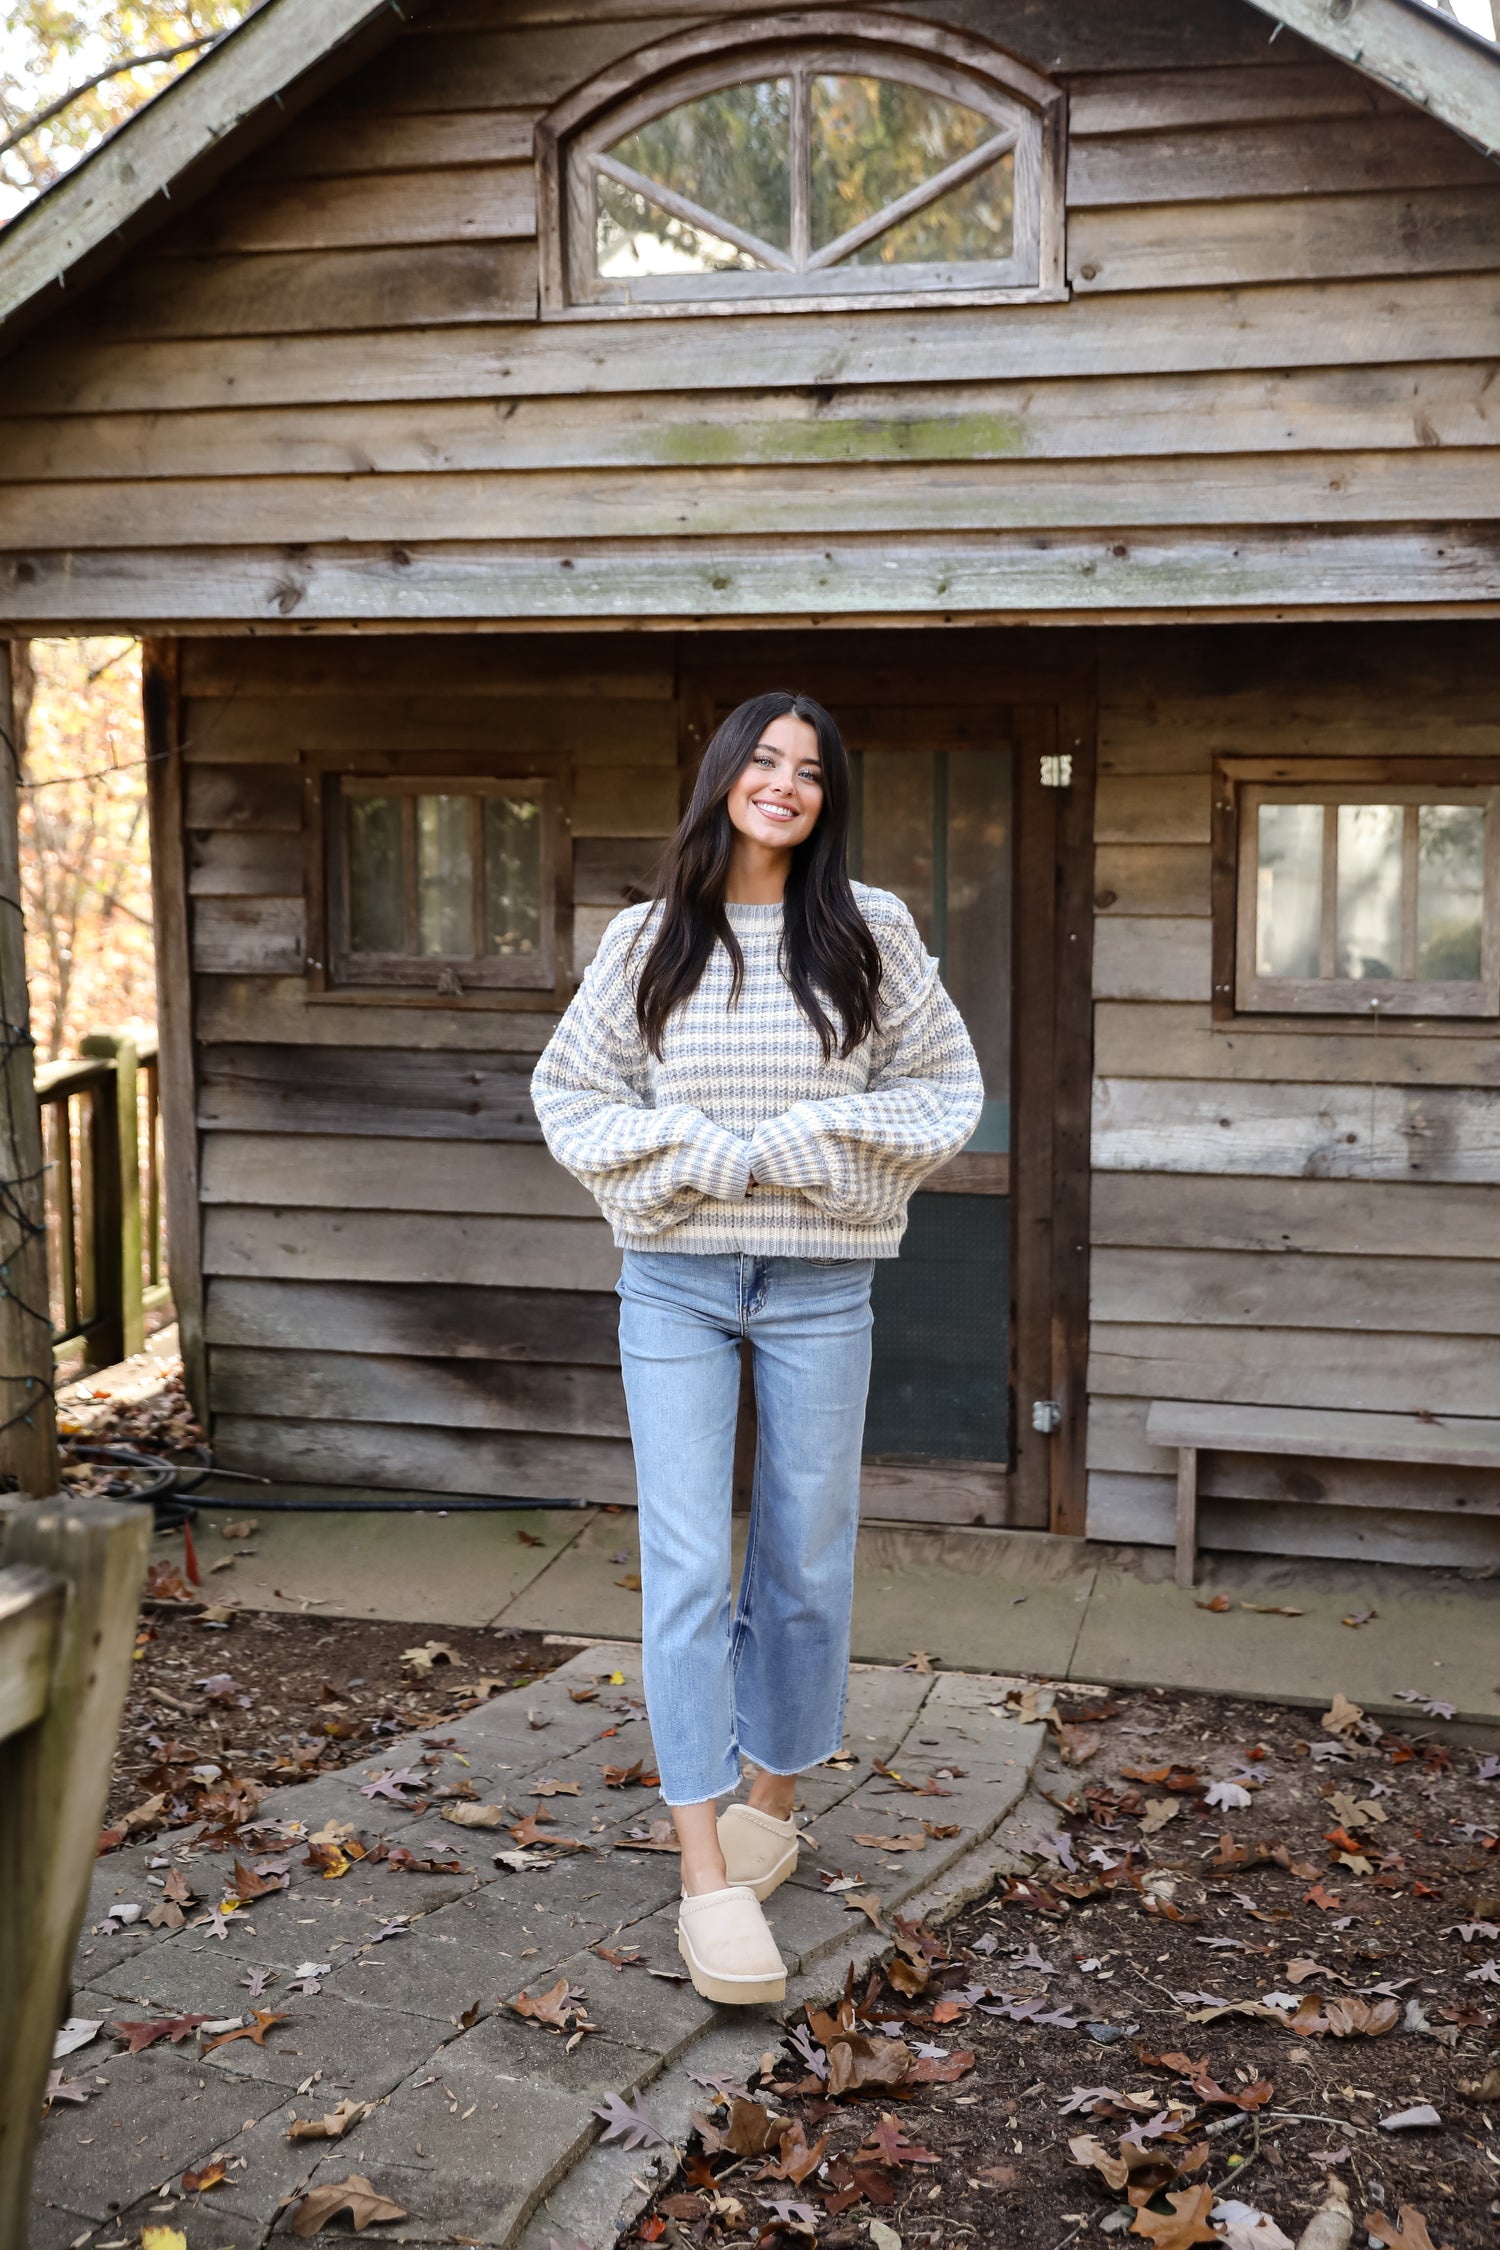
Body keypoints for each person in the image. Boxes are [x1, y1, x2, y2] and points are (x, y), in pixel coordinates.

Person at [531, 690, 982, 2006]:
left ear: (826, 798)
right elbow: (571, 1095)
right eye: (763, 760)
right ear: (726, 774)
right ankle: (702, 1869)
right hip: (671, 1278)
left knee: (800, 1549)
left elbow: (947, 1094)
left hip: (820, 1280)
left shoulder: (868, 929)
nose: (783, 783)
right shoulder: (648, 935)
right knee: (683, 1561)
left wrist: (788, 1147)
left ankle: (770, 1801)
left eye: (809, 770)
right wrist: (700, 1155)